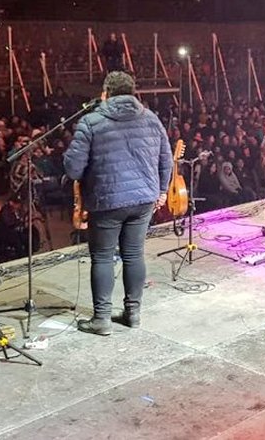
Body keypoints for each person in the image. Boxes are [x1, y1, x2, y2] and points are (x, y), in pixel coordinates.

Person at [64, 71, 172, 336]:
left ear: (105, 93)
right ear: (133, 92)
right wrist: (160, 191)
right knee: (134, 254)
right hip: (143, 200)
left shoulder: (91, 122)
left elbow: (74, 169)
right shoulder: (151, 118)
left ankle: (101, 319)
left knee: (102, 257)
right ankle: (132, 314)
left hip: (107, 201)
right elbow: (166, 159)